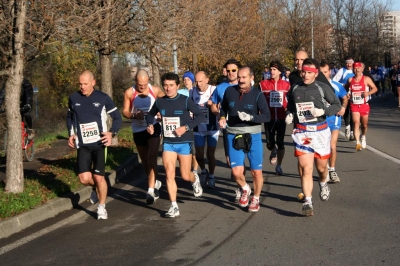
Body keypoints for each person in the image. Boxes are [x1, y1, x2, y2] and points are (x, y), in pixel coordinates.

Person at [285, 58, 341, 216]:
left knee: (321, 168)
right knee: (306, 168)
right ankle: (308, 201)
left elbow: (337, 105)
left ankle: (323, 182)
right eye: (304, 71)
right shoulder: (295, 88)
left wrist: (323, 112)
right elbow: (290, 107)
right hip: (303, 132)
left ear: (315, 74)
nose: (305, 75)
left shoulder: (323, 88)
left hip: (320, 131)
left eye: (309, 72)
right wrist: (289, 115)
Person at [146, 72, 204, 218]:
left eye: (171, 85)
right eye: (165, 85)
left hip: (184, 142)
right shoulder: (160, 101)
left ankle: (194, 179)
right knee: (169, 174)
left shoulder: (185, 100)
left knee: (185, 175)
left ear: (178, 86)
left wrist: (186, 127)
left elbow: (201, 115)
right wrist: (150, 125)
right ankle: (173, 206)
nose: (168, 88)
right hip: (168, 143)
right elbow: (149, 115)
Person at [66, 70, 122, 220]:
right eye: (80, 84)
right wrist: (71, 133)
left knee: (98, 177)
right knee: (84, 179)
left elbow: (117, 117)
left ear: (93, 82)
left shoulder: (103, 98)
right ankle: (98, 186)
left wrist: (112, 133)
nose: (82, 87)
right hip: (83, 144)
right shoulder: (73, 98)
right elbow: (70, 117)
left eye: (85, 84)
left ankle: (102, 207)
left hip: (99, 144)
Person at [219, 66, 271, 212]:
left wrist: (251, 117)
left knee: (256, 172)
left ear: (251, 78)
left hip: (252, 135)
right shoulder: (230, 91)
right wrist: (222, 117)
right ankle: (245, 188)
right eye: (239, 77)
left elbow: (267, 116)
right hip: (233, 134)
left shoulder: (258, 94)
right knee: (236, 172)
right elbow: (223, 107)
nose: (241, 80)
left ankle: (255, 198)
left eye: (244, 77)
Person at [122, 69, 165, 204]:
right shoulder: (130, 92)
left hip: (153, 127)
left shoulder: (155, 90)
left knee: (152, 157)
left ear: (148, 81)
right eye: (140, 84)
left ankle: (150, 190)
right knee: (145, 160)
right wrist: (134, 115)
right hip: (138, 129)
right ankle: (154, 181)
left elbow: (166, 104)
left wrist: (160, 113)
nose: (142, 87)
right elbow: (125, 111)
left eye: (145, 84)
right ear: (135, 81)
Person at [211, 58, 242, 201]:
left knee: (240, 160)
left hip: (243, 127)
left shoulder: (246, 85)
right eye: (228, 70)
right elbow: (212, 104)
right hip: (228, 128)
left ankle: (240, 188)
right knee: (230, 161)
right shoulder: (221, 87)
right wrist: (219, 115)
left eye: (234, 70)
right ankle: (239, 184)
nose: (231, 73)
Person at [259, 60, 290, 175]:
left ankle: (279, 166)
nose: (271, 71)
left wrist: (289, 112)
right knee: (269, 142)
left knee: (281, 142)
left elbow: (291, 100)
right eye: (271, 69)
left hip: (282, 117)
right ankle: (273, 150)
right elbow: (259, 100)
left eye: (274, 69)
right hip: (269, 118)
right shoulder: (263, 84)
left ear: (280, 71)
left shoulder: (287, 85)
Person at [320, 61, 348, 182]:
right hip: (321, 120)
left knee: (332, 146)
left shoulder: (336, 85)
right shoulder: (316, 87)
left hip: (334, 119)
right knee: (323, 147)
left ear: (330, 72)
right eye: (321, 73)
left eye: (325, 72)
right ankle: (324, 169)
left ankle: (332, 170)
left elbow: (345, 98)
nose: (323, 74)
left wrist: (343, 107)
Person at [192, 71, 219, 188]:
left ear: (207, 80)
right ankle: (204, 171)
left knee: (210, 154)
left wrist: (212, 106)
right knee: (198, 155)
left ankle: (212, 176)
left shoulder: (214, 90)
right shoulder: (192, 92)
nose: (198, 84)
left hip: (212, 127)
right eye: (196, 81)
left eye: (201, 81)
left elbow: (220, 107)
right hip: (198, 128)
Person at [345, 62, 378, 150]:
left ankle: (363, 136)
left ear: (362, 69)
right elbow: (345, 88)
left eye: (359, 68)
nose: (357, 70)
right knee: (356, 123)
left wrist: (368, 93)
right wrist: (347, 95)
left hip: (364, 105)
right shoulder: (350, 80)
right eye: (355, 68)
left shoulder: (366, 79)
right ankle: (358, 142)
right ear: (353, 70)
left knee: (364, 125)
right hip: (354, 105)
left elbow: (375, 88)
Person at [178, 71, 200, 177]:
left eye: (188, 79)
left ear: (192, 81)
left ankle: (195, 170)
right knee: (187, 148)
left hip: (195, 122)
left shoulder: (196, 91)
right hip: (184, 123)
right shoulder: (180, 92)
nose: (186, 81)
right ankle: (187, 167)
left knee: (195, 149)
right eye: (184, 79)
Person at [333, 56, 355, 140]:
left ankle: (352, 132)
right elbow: (334, 81)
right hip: (344, 93)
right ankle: (347, 126)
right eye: (347, 63)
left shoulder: (355, 70)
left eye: (350, 62)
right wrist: (343, 86)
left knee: (353, 112)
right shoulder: (342, 70)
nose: (349, 64)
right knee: (346, 111)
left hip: (354, 94)